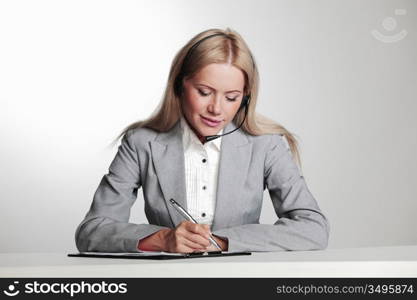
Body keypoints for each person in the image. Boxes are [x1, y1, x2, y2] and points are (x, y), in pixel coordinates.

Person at [75, 28, 330, 253]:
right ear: (179, 85)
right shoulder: (141, 142)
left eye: (231, 97)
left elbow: (313, 229)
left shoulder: (266, 144)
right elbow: (92, 231)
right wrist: (163, 239)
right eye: (204, 92)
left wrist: (221, 241)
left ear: (245, 98)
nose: (216, 109)